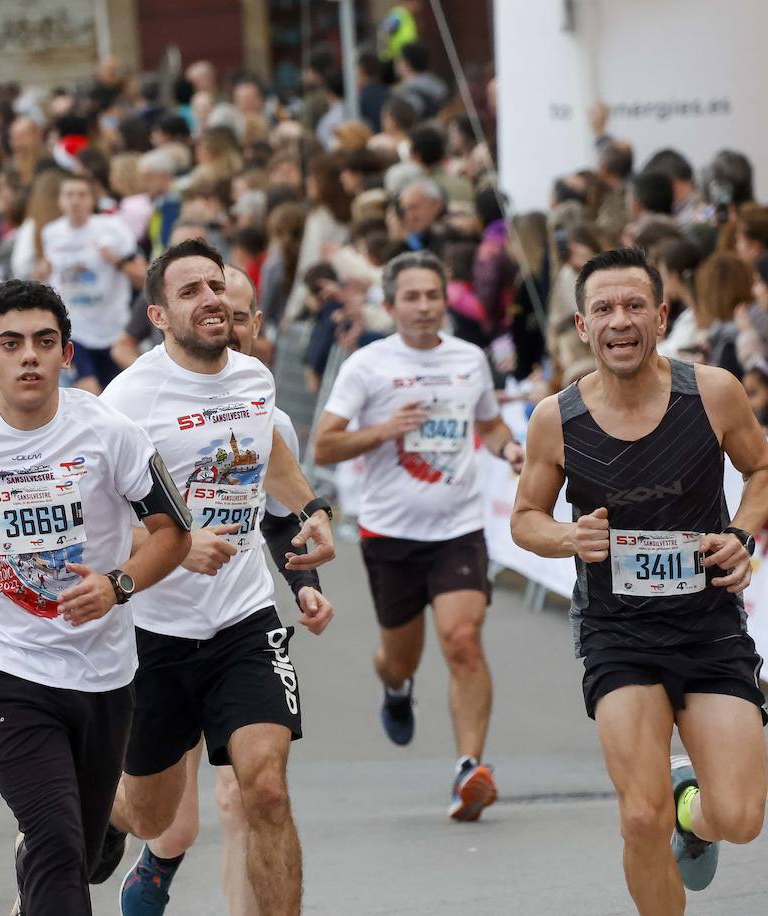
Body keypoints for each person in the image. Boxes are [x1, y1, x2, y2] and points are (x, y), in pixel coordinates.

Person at [0, 278, 190, 916]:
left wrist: (117, 585)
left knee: (78, 852)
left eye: (44, 342)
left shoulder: (112, 432)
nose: (29, 356)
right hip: (6, 669)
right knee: (54, 839)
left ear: (67, 354)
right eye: (12, 343)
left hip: (104, 671)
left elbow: (174, 533)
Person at [511, 247, 768, 911]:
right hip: (617, 630)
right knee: (639, 816)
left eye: (633, 307)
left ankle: (694, 811)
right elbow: (525, 519)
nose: (619, 321)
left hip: (709, 625)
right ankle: (666, 813)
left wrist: (740, 534)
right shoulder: (556, 418)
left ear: (659, 316)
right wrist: (570, 536)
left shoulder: (712, 393)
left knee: (740, 817)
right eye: (603, 309)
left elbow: (762, 471)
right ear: (581, 325)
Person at [100, 239, 336, 916]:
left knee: (264, 787)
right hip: (155, 633)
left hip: (243, 623)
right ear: (158, 314)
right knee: (150, 814)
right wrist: (170, 540)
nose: (210, 300)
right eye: (190, 291)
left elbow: (270, 455)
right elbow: (100, 516)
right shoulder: (128, 400)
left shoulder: (254, 378)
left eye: (215, 286)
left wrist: (311, 508)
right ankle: (100, 810)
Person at [312, 251, 523, 820]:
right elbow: (324, 446)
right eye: (412, 296)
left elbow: (489, 421)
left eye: (433, 295)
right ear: (390, 305)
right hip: (391, 535)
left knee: (462, 640)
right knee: (399, 657)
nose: (425, 306)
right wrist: (385, 429)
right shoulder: (368, 366)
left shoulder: (469, 359)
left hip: (458, 530)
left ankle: (468, 769)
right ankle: (396, 688)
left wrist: (509, 448)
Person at [42, 174, 147, 391]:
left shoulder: (113, 228)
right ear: (60, 201)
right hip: (75, 328)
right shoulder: (51, 233)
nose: (75, 201)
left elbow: (143, 278)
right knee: (89, 392)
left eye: (81, 195)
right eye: (69, 195)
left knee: (119, 394)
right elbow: (48, 275)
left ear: (92, 200)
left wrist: (116, 261)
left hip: (114, 326)